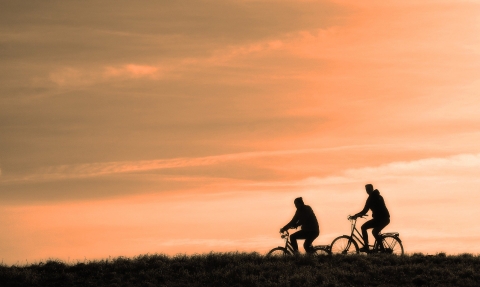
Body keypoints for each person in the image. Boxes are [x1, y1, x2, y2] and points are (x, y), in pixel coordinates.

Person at [350, 184, 390, 252]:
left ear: (372, 189)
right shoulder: (377, 196)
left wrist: (356, 215)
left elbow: (365, 210)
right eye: (366, 190)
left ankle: (371, 247)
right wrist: (357, 215)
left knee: (371, 230)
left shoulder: (372, 198)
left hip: (382, 219)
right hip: (381, 219)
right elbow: (365, 210)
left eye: (368, 189)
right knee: (370, 230)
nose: (367, 191)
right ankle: (373, 247)